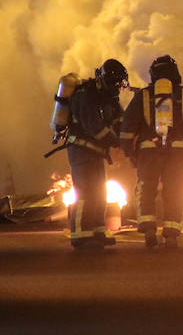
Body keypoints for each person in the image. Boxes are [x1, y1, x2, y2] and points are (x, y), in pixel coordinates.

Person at [120, 55, 183, 248]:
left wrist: (132, 155)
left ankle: (149, 228)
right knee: (176, 190)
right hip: (178, 155)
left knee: (146, 189)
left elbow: (127, 129)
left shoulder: (143, 96)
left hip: (148, 154)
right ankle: (171, 233)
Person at [66, 58, 129, 250]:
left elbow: (120, 120)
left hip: (96, 153)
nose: (117, 88)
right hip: (81, 151)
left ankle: (97, 232)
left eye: (120, 84)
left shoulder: (109, 97)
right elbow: (95, 128)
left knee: (100, 193)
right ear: (103, 79)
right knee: (85, 193)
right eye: (115, 84)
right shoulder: (85, 96)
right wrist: (117, 142)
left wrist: (127, 136)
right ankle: (80, 236)